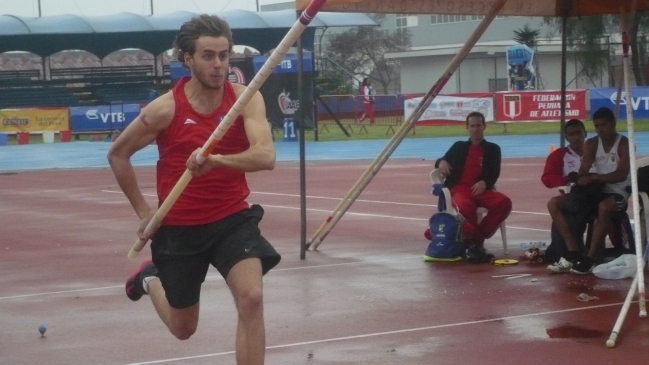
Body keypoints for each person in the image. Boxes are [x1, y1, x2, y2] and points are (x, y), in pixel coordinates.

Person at [107, 15, 281, 365]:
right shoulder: (165, 109)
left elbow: (266, 156)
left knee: (252, 297)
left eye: (223, 55)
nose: (218, 65)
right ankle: (148, 278)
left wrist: (216, 161)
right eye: (207, 56)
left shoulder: (245, 99)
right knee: (183, 328)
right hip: (179, 229)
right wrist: (145, 214)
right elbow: (118, 155)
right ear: (187, 58)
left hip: (232, 218)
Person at [547, 107, 631, 275]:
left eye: (604, 125)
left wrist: (594, 178)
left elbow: (621, 175)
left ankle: (590, 259)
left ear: (613, 124)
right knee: (554, 203)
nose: (600, 129)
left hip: (618, 192)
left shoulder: (624, 144)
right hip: (596, 191)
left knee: (605, 208)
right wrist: (578, 178)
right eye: (597, 126)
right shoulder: (592, 143)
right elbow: (584, 168)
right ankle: (573, 252)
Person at [435, 111, 512, 262]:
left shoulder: (493, 149)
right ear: (467, 128)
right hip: (460, 189)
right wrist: (441, 162)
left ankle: (476, 240)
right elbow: (442, 159)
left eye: (478, 125)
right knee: (465, 207)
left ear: (484, 126)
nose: (475, 129)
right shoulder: (459, 147)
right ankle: (473, 245)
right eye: (472, 126)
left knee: (504, 203)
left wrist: (485, 182)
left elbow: (494, 172)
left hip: (482, 190)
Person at [542, 119, 589, 264]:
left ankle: (578, 250)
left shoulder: (594, 151)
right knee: (555, 204)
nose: (576, 137)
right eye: (571, 134)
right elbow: (547, 179)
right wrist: (567, 179)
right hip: (572, 199)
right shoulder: (559, 155)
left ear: (585, 134)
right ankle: (572, 250)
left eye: (579, 133)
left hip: (595, 196)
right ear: (566, 137)